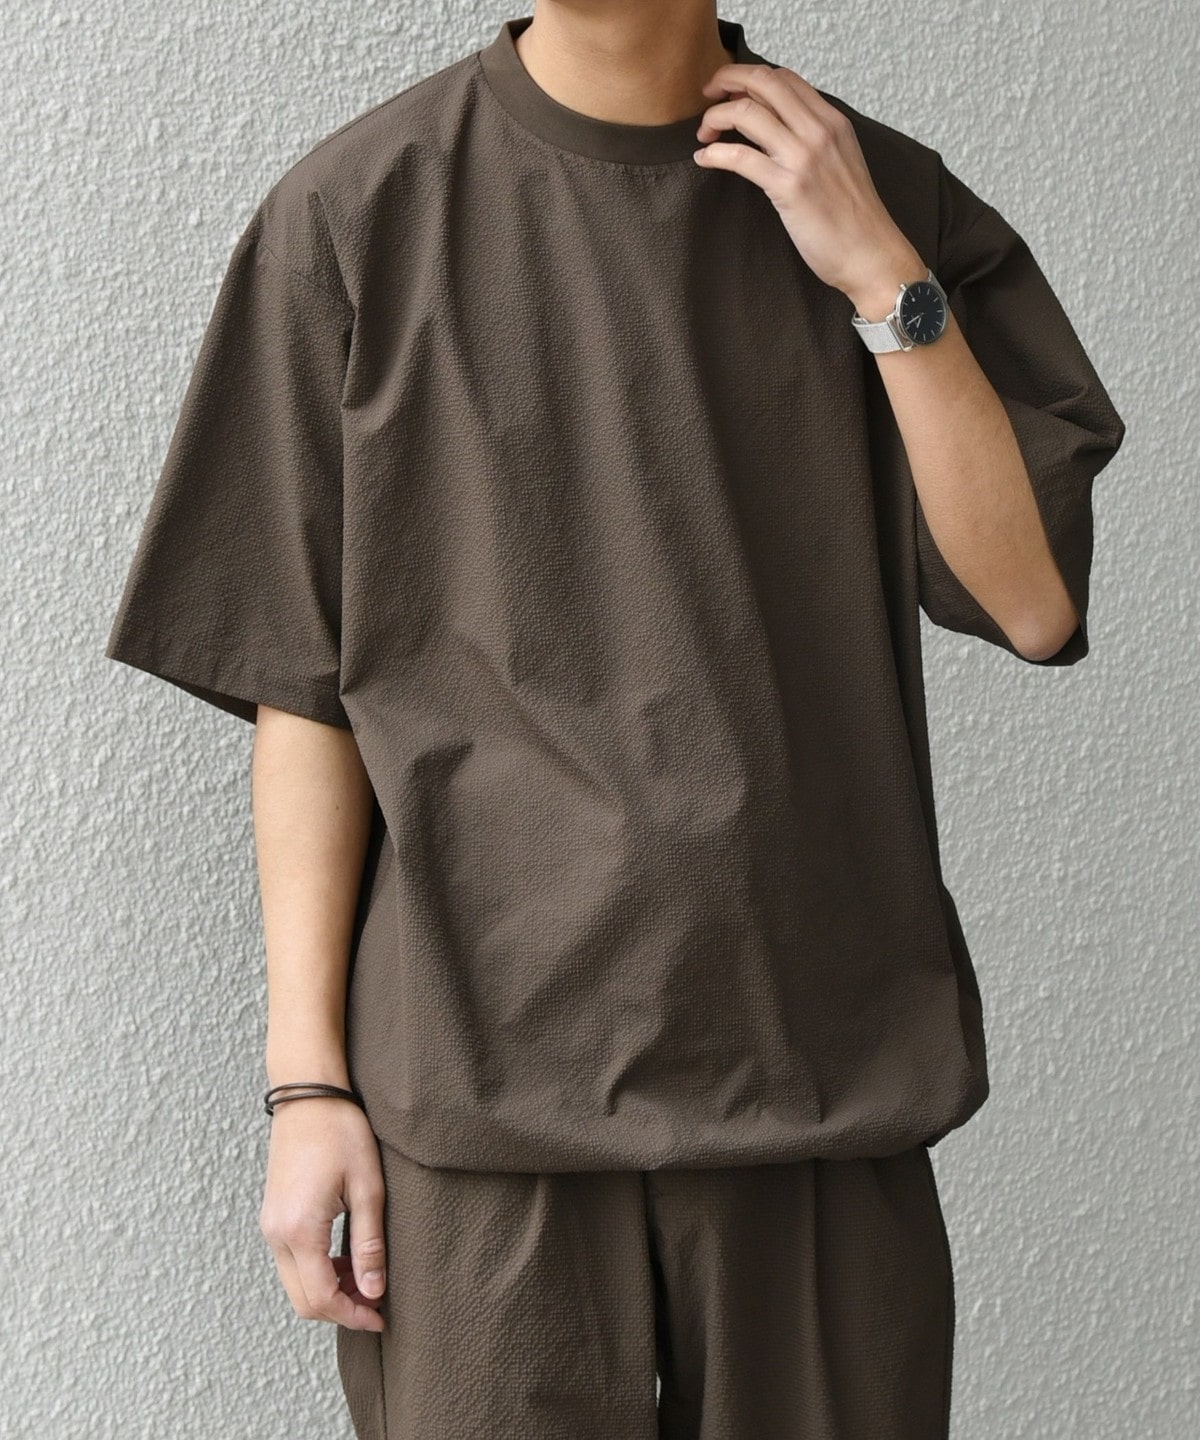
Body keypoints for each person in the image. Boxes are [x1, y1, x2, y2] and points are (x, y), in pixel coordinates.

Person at [103, 3, 1126, 1436]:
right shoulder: (355, 213)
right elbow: (305, 689)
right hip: (477, 1118)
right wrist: (305, 1086)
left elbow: (1030, 600)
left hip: (816, 1088)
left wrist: (882, 274)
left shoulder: (880, 193)